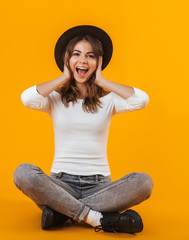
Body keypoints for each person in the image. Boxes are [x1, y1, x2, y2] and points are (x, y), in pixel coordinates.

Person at [14, 25, 153, 234]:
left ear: (98, 62)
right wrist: (64, 77)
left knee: (144, 182)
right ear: (67, 60)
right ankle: (96, 218)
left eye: (90, 56)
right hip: (60, 184)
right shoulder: (55, 98)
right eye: (76, 54)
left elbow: (141, 100)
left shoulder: (109, 100)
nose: (83, 61)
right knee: (23, 173)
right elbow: (27, 98)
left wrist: (102, 81)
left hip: (100, 186)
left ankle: (62, 211)